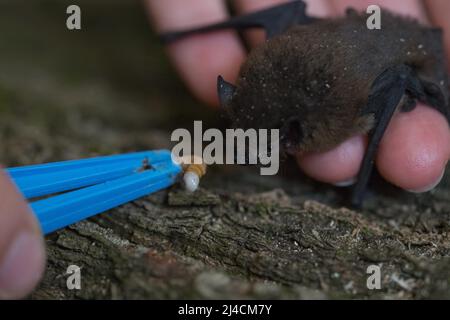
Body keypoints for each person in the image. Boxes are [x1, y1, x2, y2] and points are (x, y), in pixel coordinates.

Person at [1, 0, 449, 299]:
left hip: (392, 61)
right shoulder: (282, 58)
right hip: (349, 45)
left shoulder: (355, 100)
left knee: (410, 151)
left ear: (293, 135)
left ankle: (361, 186)